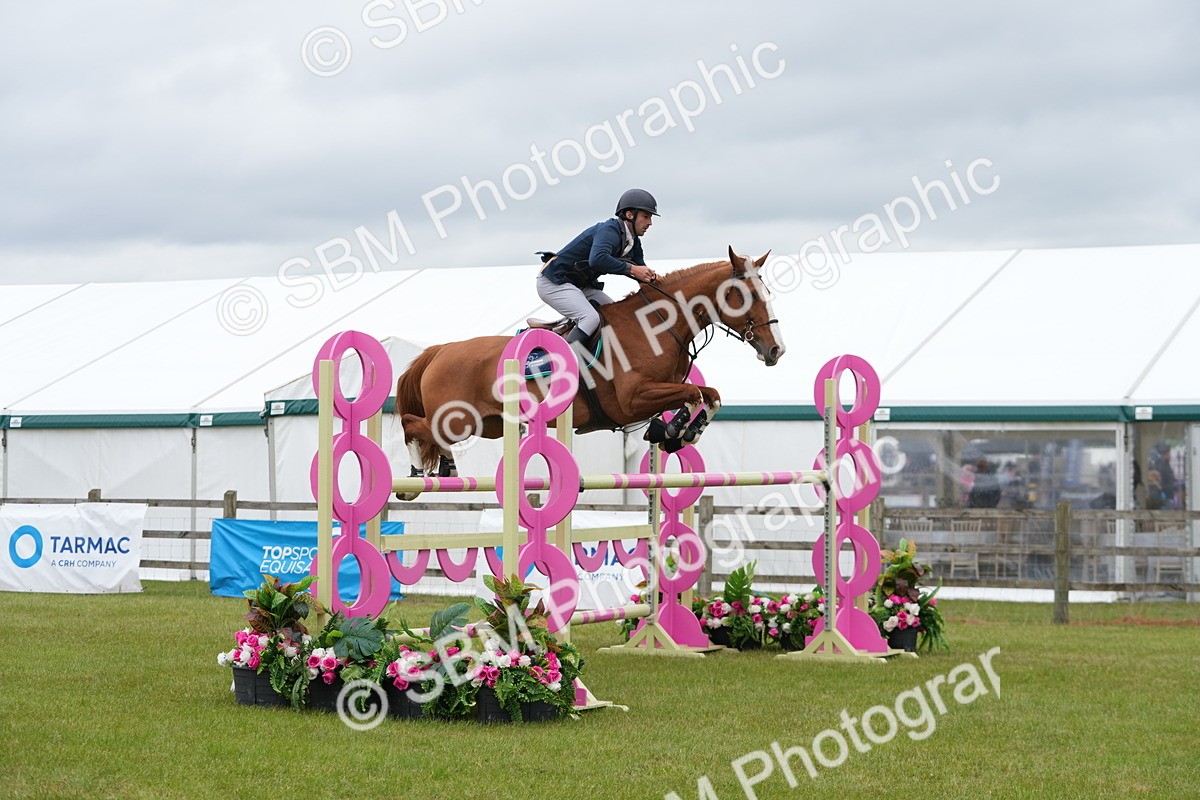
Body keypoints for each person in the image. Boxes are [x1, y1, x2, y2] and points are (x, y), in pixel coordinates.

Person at [531, 189, 660, 371]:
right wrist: (632, 269)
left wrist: (658, 285)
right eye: (646, 217)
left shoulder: (633, 242)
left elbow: (641, 270)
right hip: (554, 282)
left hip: (578, 286)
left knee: (617, 313)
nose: (650, 223)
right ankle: (563, 366)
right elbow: (597, 259)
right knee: (590, 318)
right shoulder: (609, 230)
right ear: (630, 214)